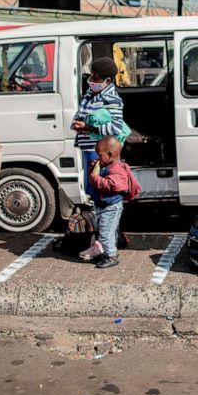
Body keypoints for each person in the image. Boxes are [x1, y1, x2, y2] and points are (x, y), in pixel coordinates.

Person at [83, 136, 140, 268]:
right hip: (102, 205)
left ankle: (111, 256)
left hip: (111, 207)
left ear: (110, 154)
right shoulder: (107, 165)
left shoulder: (117, 169)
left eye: (99, 155)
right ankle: (110, 250)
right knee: (106, 230)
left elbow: (114, 185)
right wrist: (95, 169)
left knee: (105, 233)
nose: (97, 157)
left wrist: (96, 179)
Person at [72, 57, 125, 194]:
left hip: (99, 150)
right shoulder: (91, 94)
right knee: (90, 185)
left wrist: (86, 127)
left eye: (96, 78)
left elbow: (116, 128)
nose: (91, 80)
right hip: (87, 148)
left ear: (107, 80)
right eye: (91, 75)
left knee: (97, 187)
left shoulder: (112, 99)